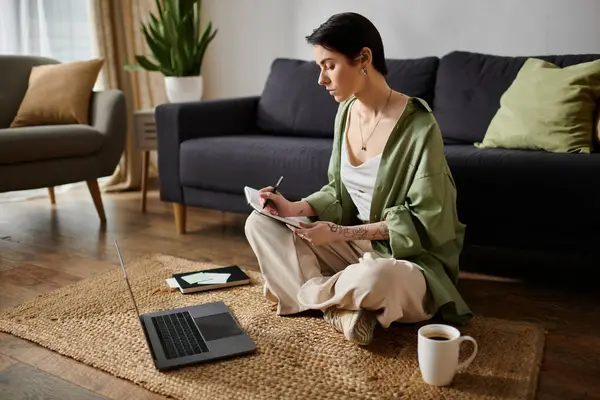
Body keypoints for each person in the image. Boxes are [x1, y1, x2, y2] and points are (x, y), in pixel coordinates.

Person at [244, 12, 473, 346]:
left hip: (402, 259)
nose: (322, 79)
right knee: (259, 223)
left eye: (329, 65)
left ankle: (310, 292)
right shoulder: (346, 112)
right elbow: (338, 191)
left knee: (376, 277)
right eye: (320, 67)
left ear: (364, 58)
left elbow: (427, 219)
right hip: (351, 250)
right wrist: (294, 206)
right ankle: (339, 308)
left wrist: (337, 232)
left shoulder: (420, 126)